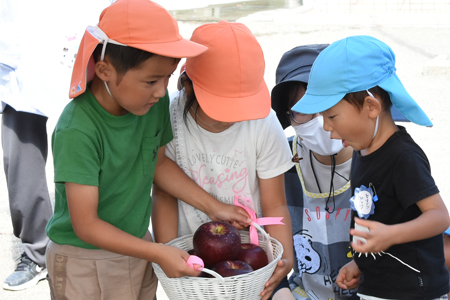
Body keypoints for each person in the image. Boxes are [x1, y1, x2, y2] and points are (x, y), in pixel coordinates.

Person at [45, 1, 251, 299]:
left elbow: (158, 164)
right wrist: (157, 251)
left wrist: (214, 207)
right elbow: (86, 225)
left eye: (167, 78)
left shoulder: (150, 104)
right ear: (104, 70)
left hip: (138, 246)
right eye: (151, 80)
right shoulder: (77, 129)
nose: (161, 90)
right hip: (85, 260)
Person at [292, 35, 449, 300]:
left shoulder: (403, 157)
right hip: (376, 289)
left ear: (371, 106)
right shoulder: (361, 150)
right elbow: (377, 220)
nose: (327, 128)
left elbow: (439, 217)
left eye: (331, 116)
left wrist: (391, 234)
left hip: (415, 291)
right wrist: (360, 263)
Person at [151, 21, 294, 300]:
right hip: (195, 269)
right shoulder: (168, 117)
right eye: (222, 107)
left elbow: (275, 203)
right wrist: (169, 252)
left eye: (242, 106)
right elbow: (164, 194)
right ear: (187, 86)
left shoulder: (264, 123)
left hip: (253, 265)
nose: (234, 116)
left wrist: (284, 261)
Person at [270, 44, 358, 300]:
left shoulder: (379, 158)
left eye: (327, 103)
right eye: (302, 110)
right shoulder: (278, 164)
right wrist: (280, 292)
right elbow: (263, 246)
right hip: (303, 292)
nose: (319, 120)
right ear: (288, 116)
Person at [0, 0, 69, 291]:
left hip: (76, 25)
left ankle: (95, 237)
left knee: (94, 132)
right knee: (20, 147)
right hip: (20, 36)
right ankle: (37, 251)